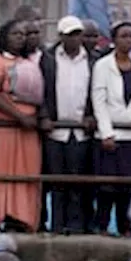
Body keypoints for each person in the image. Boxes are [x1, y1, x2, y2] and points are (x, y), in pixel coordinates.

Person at [0, 19, 43, 232]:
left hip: (28, 129)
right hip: (3, 127)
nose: (20, 37)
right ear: (4, 36)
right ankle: (0, 218)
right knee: (2, 172)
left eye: (24, 34)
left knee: (27, 172)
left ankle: (25, 219)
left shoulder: (32, 61)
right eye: (15, 33)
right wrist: (19, 116)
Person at [40, 16, 96, 234]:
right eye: (70, 34)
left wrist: (92, 116)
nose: (74, 38)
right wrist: (44, 116)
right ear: (61, 36)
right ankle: (56, 226)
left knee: (78, 182)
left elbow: (96, 92)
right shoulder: (48, 59)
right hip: (56, 130)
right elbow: (42, 91)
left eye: (77, 34)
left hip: (82, 131)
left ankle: (76, 227)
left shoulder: (92, 59)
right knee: (56, 182)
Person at [91, 20, 131, 235]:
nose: (128, 40)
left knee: (129, 186)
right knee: (106, 187)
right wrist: (106, 132)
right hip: (110, 134)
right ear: (114, 39)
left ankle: (125, 229)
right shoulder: (102, 65)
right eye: (124, 36)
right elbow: (99, 100)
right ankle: (102, 227)